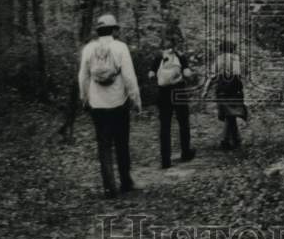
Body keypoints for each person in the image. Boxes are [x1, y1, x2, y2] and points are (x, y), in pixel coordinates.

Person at [78, 13, 142, 197]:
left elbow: (83, 76)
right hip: (118, 102)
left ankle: (109, 187)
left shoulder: (89, 48)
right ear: (114, 30)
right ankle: (125, 182)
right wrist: (136, 100)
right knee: (122, 142)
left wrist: (84, 98)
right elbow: (129, 77)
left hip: (97, 104)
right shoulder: (120, 47)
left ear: (98, 30)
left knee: (104, 146)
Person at [148, 38, 195, 169]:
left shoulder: (158, 57)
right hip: (178, 91)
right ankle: (186, 152)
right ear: (175, 44)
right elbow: (187, 73)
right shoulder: (180, 56)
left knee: (165, 125)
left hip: (163, 93)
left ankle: (165, 159)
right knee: (183, 122)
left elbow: (151, 74)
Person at [204, 40, 248, 150]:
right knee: (230, 114)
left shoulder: (218, 60)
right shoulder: (235, 59)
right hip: (233, 89)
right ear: (232, 49)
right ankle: (227, 140)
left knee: (229, 114)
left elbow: (211, 77)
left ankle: (234, 140)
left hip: (221, 89)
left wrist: (205, 90)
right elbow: (237, 74)